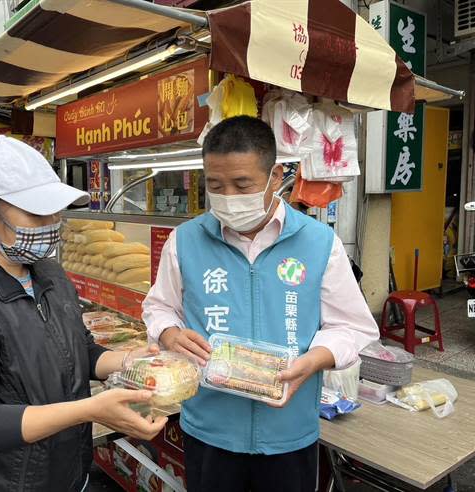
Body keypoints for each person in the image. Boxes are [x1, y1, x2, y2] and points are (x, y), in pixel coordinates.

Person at [0, 136, 167, 492]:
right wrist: (88, 409)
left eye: (55, 211)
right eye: (36, 213)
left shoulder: (49, 274)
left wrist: (126, 361)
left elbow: (79, 350)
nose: (52, 223)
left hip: (66, 471)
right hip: (5, 482)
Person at [142, 116, 379, 492]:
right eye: (215, 185)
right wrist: (169, 333)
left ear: (275, 176)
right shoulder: (184, 240)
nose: (228, 197)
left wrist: (313, 361)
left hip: (289, 432)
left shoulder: (318, 243)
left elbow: (352, 326)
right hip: (209, 428)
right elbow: (158, 307)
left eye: (242, 184)